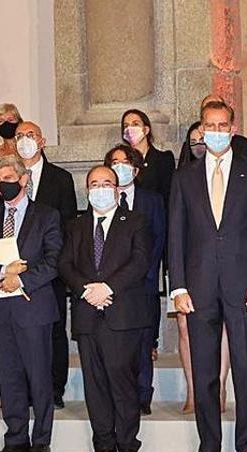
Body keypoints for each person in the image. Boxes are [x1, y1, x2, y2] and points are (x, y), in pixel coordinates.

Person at [169, 100, 247, 452]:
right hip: (197, 289)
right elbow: (175, 236)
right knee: (204, 371)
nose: (216, 130)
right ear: (201, 128)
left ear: (232, 128)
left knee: (246, 368)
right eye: (209, 125)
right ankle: (208, 447)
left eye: (222, 124)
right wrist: (178, 286)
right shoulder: (184, 178)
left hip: (244, 286)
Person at [0, 154, 61, 452]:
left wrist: (20, 280)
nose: (3, 185)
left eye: (9, 178)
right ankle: (15, 438)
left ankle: (41, 441)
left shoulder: (46, 216)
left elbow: (53, 261)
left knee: (38, 375)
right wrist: (1, 275)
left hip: (32, 306)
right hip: (1, 308)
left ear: (23, 179)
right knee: (8, 377)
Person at [58, 165, 152, 452]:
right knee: (95, 384)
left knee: (121, 381)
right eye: (94, 184)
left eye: (106, 183)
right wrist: (88, 290)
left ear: (117, 188)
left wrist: (107, 287)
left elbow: (140, 262)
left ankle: (126, 444)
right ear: (87, 190)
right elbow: (65, 264)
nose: (100, 189)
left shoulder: (135, 222)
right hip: (87, 313)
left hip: (122, 313)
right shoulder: (76, 225)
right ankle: (103, 445)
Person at [14, 120, 77, 409]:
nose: (24, 140)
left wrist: (57, 264)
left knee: (53, 330)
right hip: (15, 269)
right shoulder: (8, 177)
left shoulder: (60, 179)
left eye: (30, 135)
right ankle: (26, 387)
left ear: (42, 141)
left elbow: (68, 226)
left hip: (50, 270)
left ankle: (54, 388)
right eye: (19, 136)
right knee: (21, 331)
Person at [175, 121, 232, 414]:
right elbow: (177, 230)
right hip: (192, 269)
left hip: (226, 269)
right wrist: (179, 282)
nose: (202, 141)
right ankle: (195, 388)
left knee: (222, 327)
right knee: (186, 327)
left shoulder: (239, 172)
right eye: (196, 138)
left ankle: (219, 384)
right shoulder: (183, 178)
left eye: (205, 135)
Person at [105, 144, 166, 416]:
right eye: (114, 162)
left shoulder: (152, 200)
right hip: (109, 287)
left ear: (136, 167)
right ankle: (119, 397)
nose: (120, 166)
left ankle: (143, 395)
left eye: (125, 161)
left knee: (143, 343)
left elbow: (159, 239)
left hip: (143, 284)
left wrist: (145, 275)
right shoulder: (103, 198)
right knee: (115, 346)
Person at [178, 94, 247, 163]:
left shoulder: (242, 145)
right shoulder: (192, 144)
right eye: (209, 107)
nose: (216, 130)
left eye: (218, 106)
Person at [121, 109, 175, 206]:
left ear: (146, 130)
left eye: (135, 124)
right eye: (126, 126)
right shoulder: (119, 162)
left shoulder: (163, 159)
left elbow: (168, 197)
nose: (129, 128)